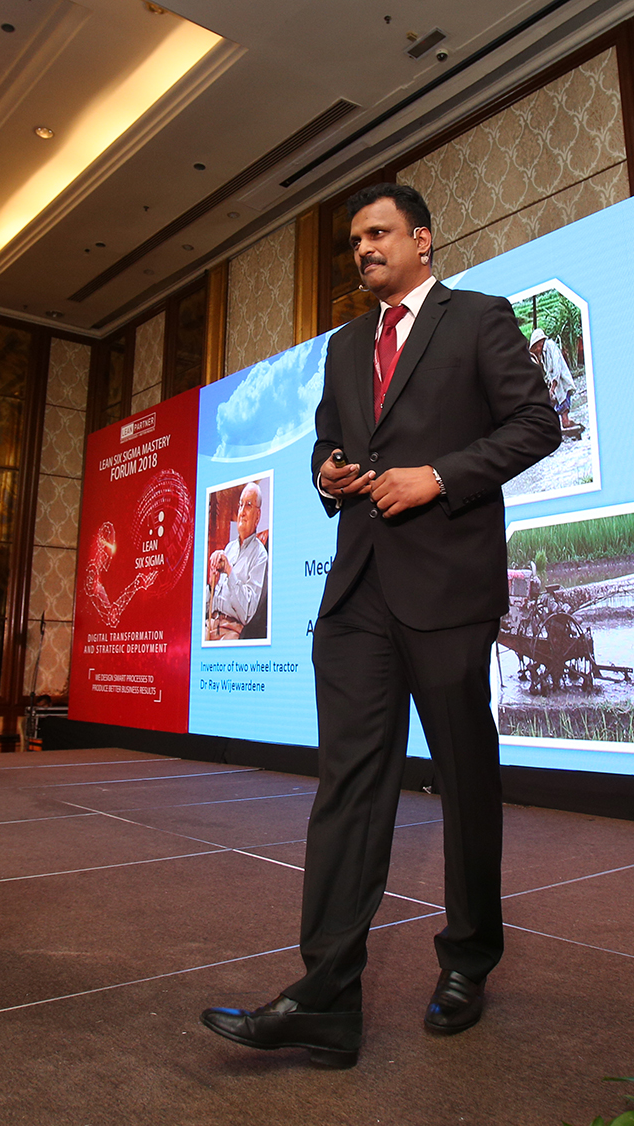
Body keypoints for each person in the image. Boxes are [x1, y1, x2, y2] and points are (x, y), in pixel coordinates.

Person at [201, 183, 559, 1067]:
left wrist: (436, 476)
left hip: (447, 588)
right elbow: (330, 440)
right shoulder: (344, 346)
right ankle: (326, 1001)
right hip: (357, 589)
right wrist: (328, 472)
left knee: (464, 779)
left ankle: (469, 960)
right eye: (355, 239)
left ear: (422, 240)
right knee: (348, 787)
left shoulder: (479, 319)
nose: (363, 248)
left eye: (379, 233)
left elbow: (537, 423)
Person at [206, 482, 267, 640]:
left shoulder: (260, 555)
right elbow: (208, 605)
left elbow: (246, 613)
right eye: (240, 505)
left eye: (248, 505)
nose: (242, 512)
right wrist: (212, 583)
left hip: (231, 630)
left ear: (257, 516)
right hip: (211, 623)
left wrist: (229, 571)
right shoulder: (229, 548)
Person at [529, 327, 575, 429]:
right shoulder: (542, 355)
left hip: (561, 380)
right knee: (557, 403)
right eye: (535, 348)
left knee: (563, 400)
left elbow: (556, 366)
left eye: (537, 346)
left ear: (541, 342)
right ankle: (564, 423)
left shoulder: (550, 346)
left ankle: (567, 422)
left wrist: (553, 387)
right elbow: (548, 373)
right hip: (555, 385)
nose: (537, 349)